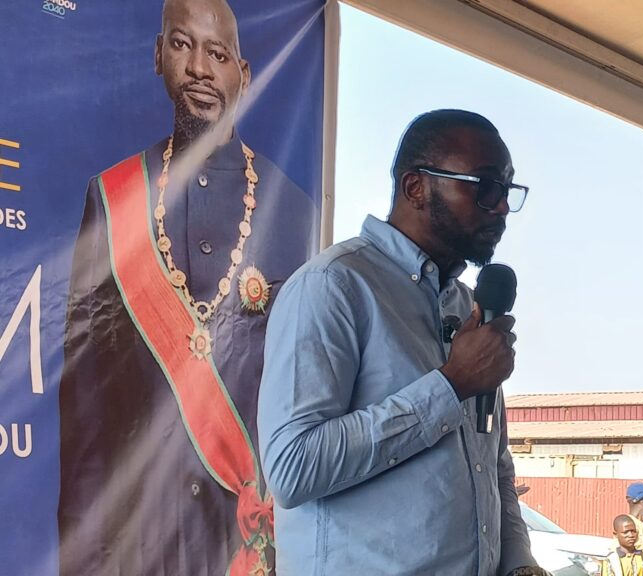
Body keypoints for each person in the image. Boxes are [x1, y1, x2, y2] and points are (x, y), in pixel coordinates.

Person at [56, 0, 316, 574]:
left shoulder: (296, 212)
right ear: (158, 56)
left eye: (218, 54)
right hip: (138, 544)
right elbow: (86, 409)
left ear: (243, 74)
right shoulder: (113, 200)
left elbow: (307, 401)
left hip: (246, 543)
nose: (199, 67)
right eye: (181, 45)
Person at [258, 109, 547, 575]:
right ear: (416, 187)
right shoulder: (334, 286)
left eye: (507, 190)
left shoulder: (468, 305)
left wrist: (519, 563)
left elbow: (492, 466)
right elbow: (293, 468)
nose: (500, 208)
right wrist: (450, 386)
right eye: (486, 186)